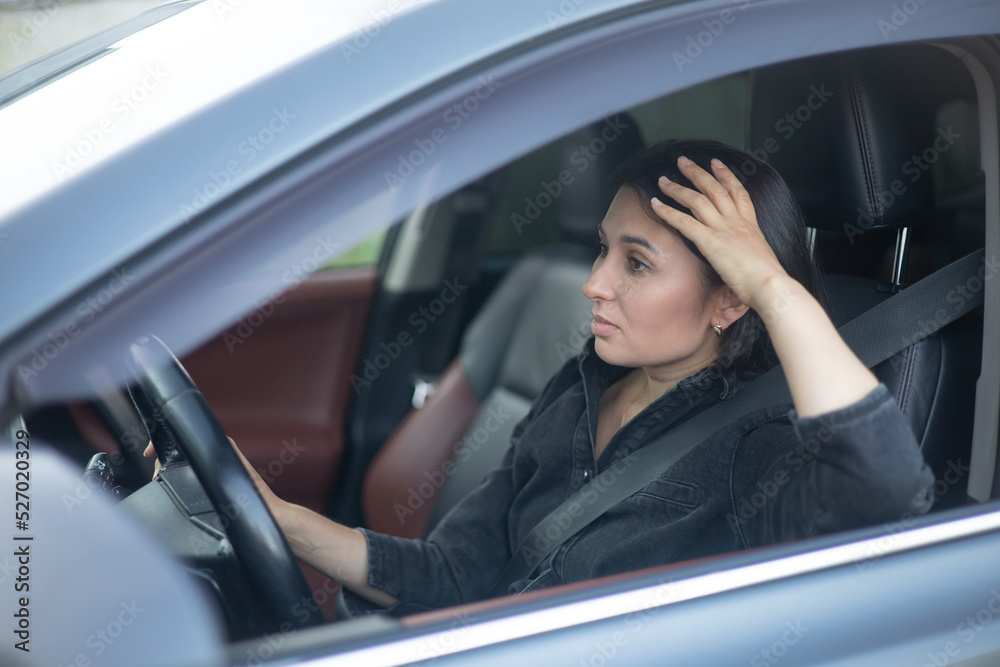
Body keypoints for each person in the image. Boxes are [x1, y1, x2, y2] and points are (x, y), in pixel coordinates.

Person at [147, 138, 936, 616]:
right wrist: (277, 518)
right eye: (602, 249)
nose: (594, 283)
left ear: (727, 299)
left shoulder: (756, 450)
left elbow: (886, 492)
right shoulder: (580, 386)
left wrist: (772, 283)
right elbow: (457, 571)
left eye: (635, 263)